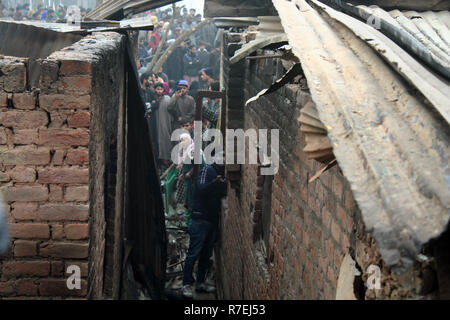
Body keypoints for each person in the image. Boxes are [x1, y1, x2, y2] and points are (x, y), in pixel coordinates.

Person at [181, 153, 227, 298]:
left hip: (211, 222)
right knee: (193, 253)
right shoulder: (207, 170)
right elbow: (200, 188)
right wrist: (215, 183)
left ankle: (200, 283)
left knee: (205, 255)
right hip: (199, 220)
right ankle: (186, 284)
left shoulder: (220, 174)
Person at [153, 82, 173, 170]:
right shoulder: (153, 100)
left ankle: (166, 162)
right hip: (155, 125)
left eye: (161, 89)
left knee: (165, 142)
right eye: (158, 89)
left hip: (165, 124)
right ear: (155, 90)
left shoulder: (167, 99)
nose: (159, 91)